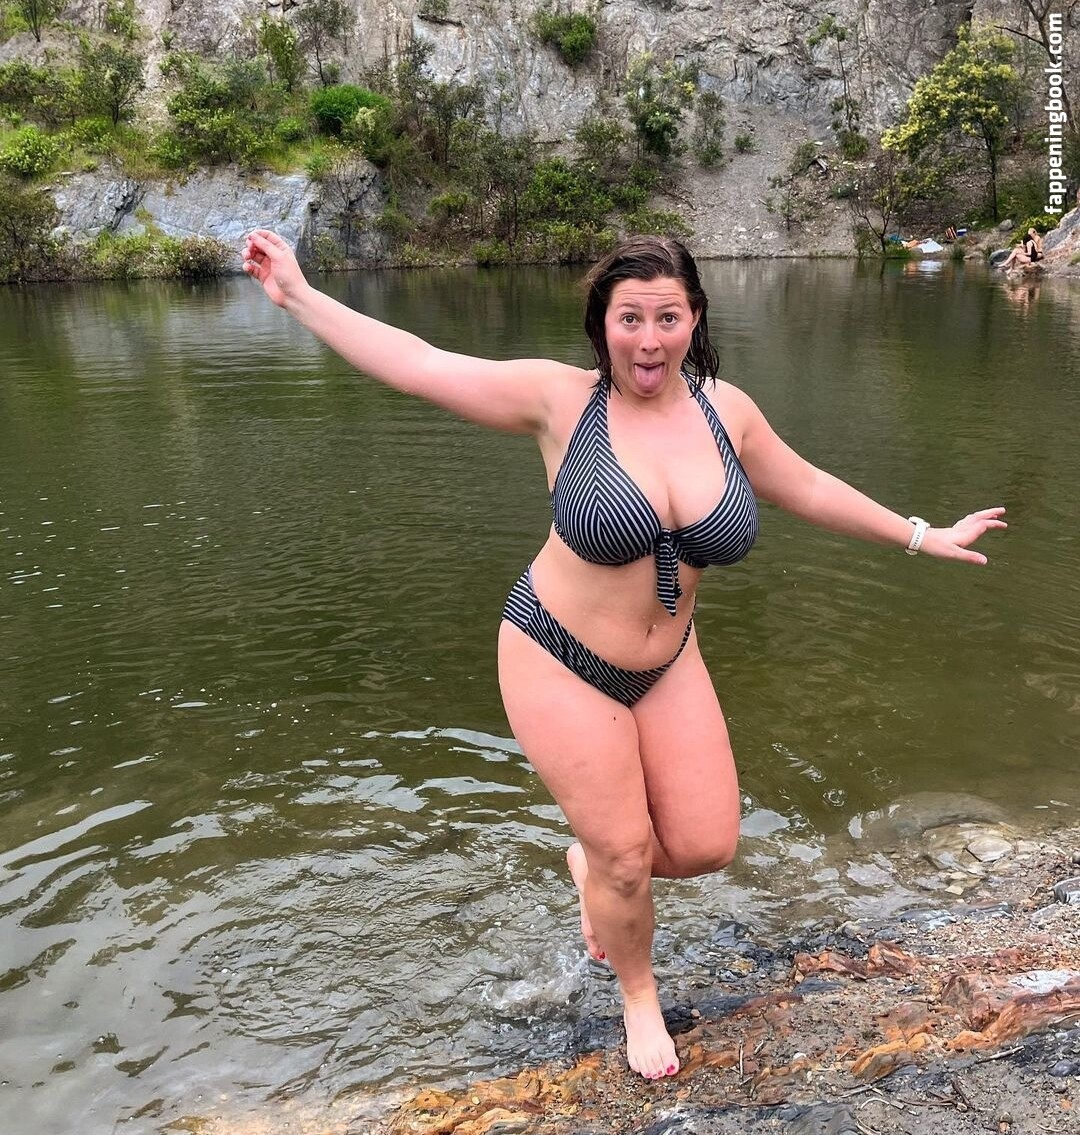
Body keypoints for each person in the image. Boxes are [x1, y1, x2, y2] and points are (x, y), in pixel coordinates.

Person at [242, 229, 1006, 1081]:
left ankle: (596, 867)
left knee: (707, 845)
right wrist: (299, 294)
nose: (648, 339)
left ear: (695, 318)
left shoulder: (728, 412)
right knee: (627, 855)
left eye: (667, 318)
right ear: (602, 323)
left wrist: (920, 533)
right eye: (629, 318)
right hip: (557, 653)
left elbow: (809, 485)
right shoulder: (558, 402)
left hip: (669, 661)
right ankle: (638, 993)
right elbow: (420, 362)